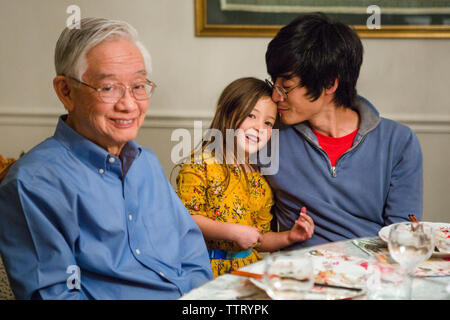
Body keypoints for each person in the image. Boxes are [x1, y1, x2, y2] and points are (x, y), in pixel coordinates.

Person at [0, 17, 212, 299]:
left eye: (138, 85)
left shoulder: (146, 162)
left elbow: (191, 251)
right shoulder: (32, 184)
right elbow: (56, 295)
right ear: (66, 91)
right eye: (109, 87)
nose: (128, 104)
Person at [263, 13, 423, 249]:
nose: (276, 97)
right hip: (298, 276)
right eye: (273, 85)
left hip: (372, 273)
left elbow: (402, 238)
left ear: (329, 83)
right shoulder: (267, 136)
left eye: (286, 87)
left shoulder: (399, 142)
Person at [176, 77, 314, 278]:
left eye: (268, 122)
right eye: (251, 115)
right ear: (225, 112)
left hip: (248, 271)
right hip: (204, 270)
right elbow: (186, 218)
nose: (259, 128)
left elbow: (258, 238)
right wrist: (231, 232)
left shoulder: (260, 180)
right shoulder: (200, 166)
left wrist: (289, 237)